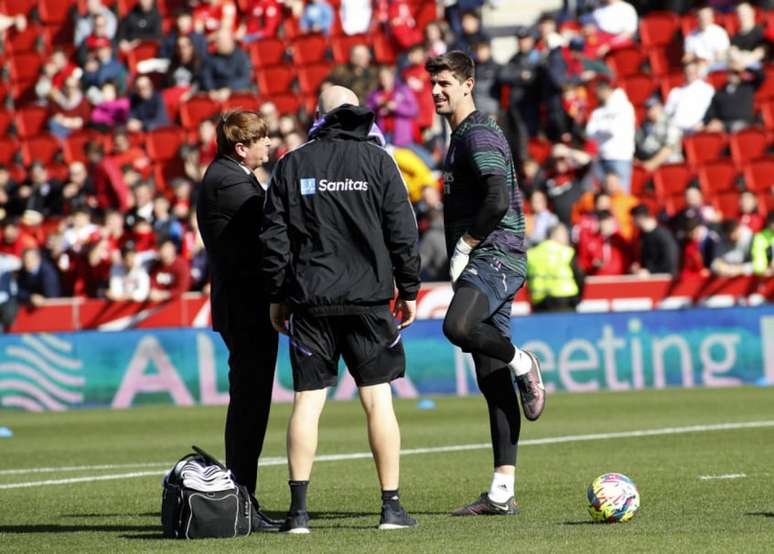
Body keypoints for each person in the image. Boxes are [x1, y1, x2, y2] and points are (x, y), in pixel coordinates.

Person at [260, 86, 421, 533]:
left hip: (311, 301)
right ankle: (390, 508)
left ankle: (298, 514)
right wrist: (408, 289)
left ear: (318, 115)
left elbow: (273, 241)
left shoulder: (292, 163)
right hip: (369, 300)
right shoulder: (380, 160)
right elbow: (403, 231)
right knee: (378, 400)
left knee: (307, 404)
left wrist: (278, 296)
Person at [425, 51, 544, 517]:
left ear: (469, 84)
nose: (437, 91)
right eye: (433, 84)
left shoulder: (477, 132)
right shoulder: (458, 137)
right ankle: (501, 491)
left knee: (457, 327)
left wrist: (465, 245)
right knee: (490, 377)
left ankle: (525, 361)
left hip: (495, 254)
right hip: (485, 257)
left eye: (446, 83)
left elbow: (497, 194)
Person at [195, 110, 279, 531]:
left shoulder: (231, 175)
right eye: (263, 139)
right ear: (240, 147)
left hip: (244, 305)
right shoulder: (229, 181)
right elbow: (272, 223)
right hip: (245, 307)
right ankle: (242, 496)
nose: (270, 144)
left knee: (252, 402)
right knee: (249, 405)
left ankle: (244, 494)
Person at [585, 76, 635, 191]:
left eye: (598, 90)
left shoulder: (624, 106)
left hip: (620, 157)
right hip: (602, 157)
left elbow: (614, 129)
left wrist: (600, 127)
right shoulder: (598, 111)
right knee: (602, 197)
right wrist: (604, 128)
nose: (596, 94)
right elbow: (590, 133)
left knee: (620, 196)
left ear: (605, 89)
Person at [526, 224, 583, 312]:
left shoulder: (531, 254)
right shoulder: (567, 252)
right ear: (554, 235)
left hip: (539, 302)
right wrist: (578, 298)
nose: (567, 238)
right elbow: (580, 277)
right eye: (564, 234)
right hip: (565, 301)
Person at [635, 95, 684, 172]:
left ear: (660, 107)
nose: (649, 111)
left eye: (652, 108)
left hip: (670, 165)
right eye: (647, 108)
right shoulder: (645, 125)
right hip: (649, 162)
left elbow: (669, 148)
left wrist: (652, 163)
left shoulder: (671, 123)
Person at [664, 61, 715, 133]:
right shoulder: (676, 91)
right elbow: (667, 112)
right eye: (687, 71)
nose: (690, 74)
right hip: (675, 128)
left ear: (697, 72)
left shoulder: (707, 90)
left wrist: (703, 123)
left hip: (695, 128)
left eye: (692, 71)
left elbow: (711, 111)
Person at [630, 204, 680, 277]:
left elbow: (670, 264)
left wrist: (650, 272)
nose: (632, 222)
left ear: (640, 218)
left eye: (633, 219)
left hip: (662, 281)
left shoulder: (663, 235)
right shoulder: (642, 236)